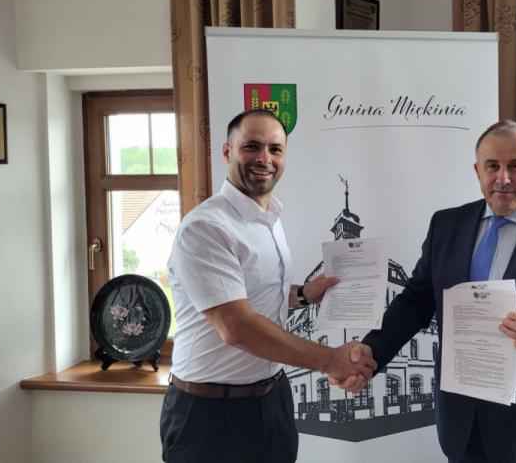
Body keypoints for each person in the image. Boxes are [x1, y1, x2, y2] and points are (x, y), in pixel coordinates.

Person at [339, 120, 516, 463]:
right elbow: (415, 302)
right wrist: (371, 352)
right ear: (478, 171)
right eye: (492, 166)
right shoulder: (446, 225)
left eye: (515, 166)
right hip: (463, 426)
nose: (503, 178)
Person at [160, 109, 377, 463]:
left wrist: (304, 294)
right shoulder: (206, 227)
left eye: (275, 149)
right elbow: (237, 325)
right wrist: (331, 360)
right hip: (209, 414)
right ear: (227, 151)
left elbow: (254, 293)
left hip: (271, 399)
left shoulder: (270, 218)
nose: (265, 158)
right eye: (252, 146)